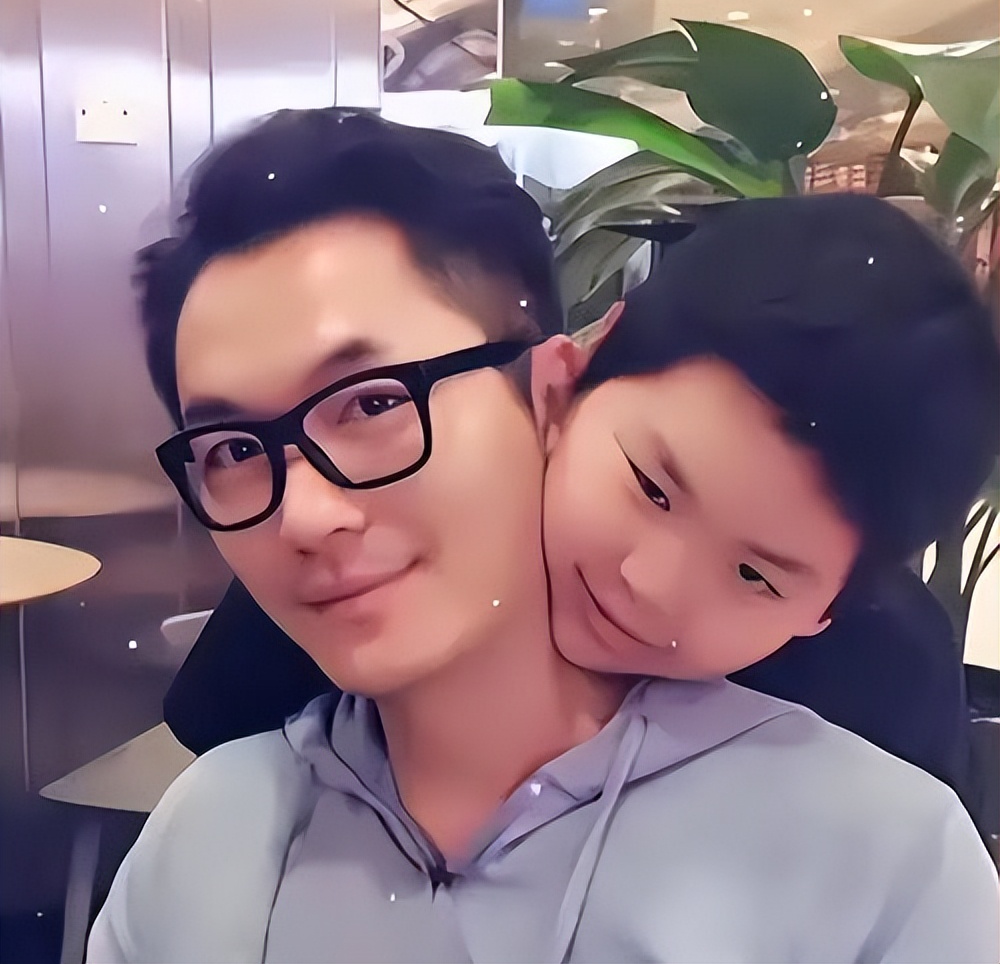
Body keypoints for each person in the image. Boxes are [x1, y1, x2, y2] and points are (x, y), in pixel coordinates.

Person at [88, 109, 998, 963]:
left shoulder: (884, 868)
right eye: (234, 449)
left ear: (544, 385)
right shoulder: (202, 845)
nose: (306, 515)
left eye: (371, 403)